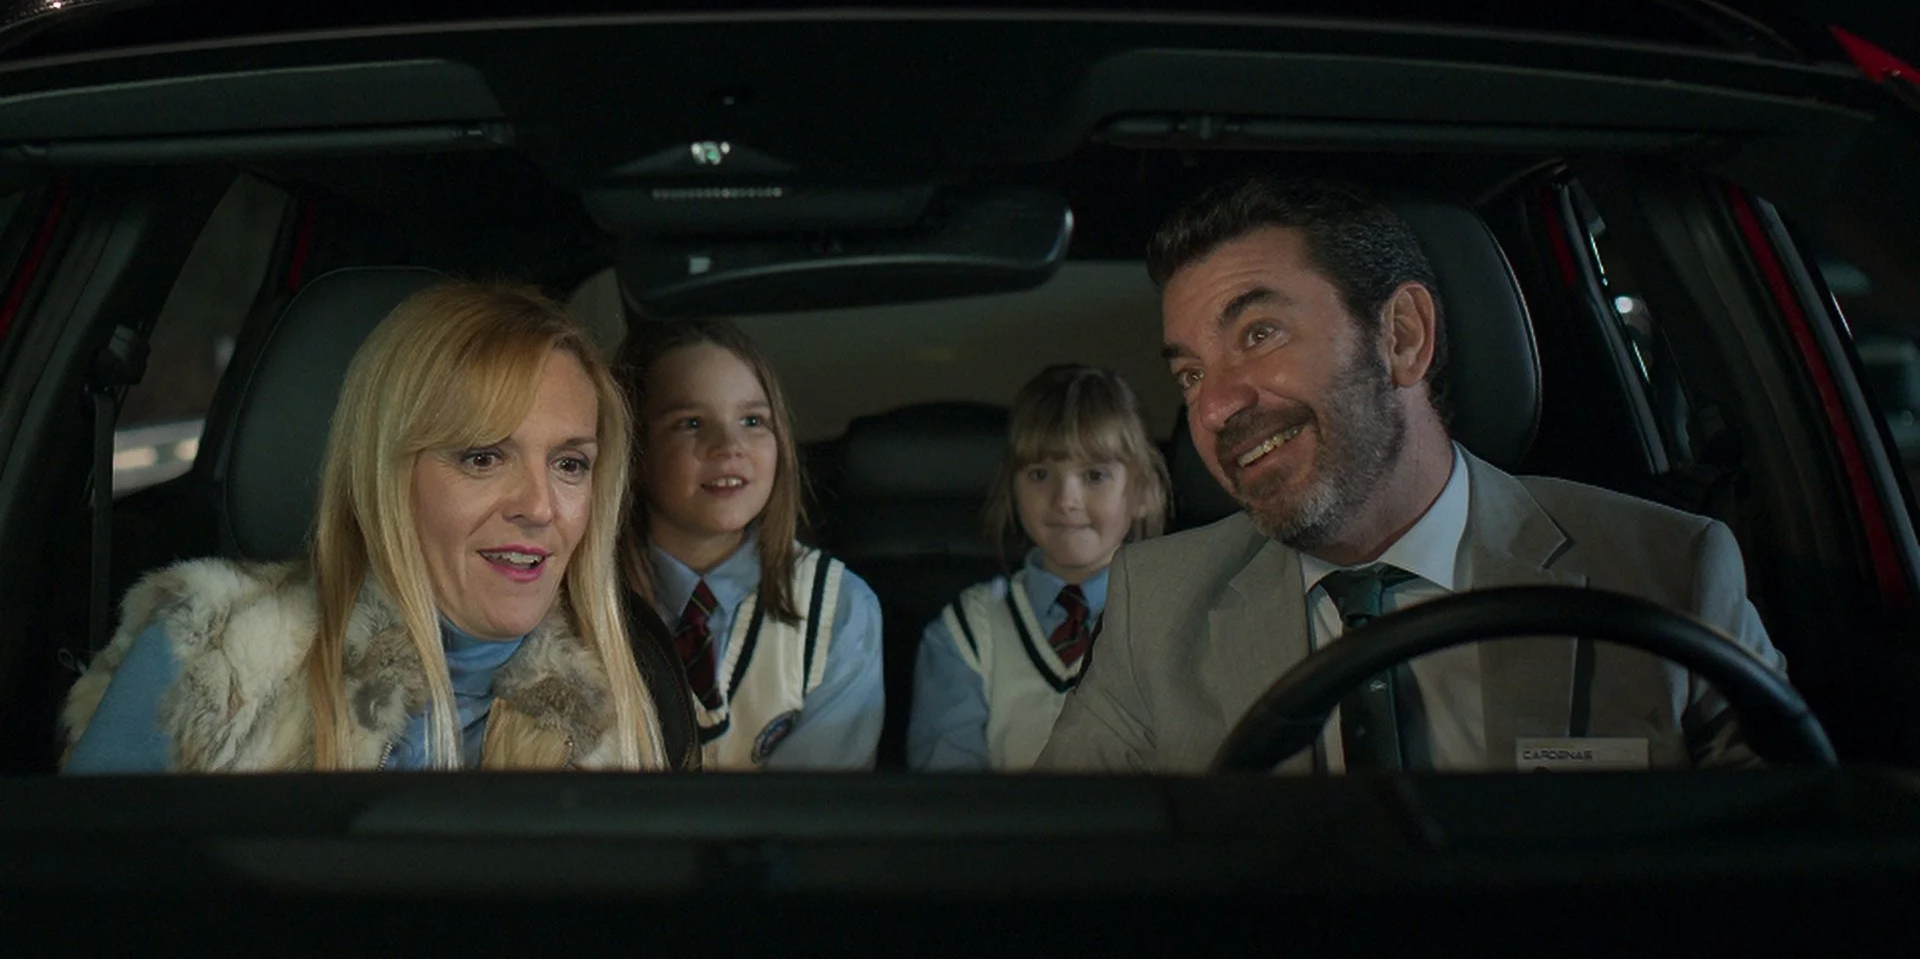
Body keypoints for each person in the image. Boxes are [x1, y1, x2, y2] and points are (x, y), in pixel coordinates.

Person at [1037, 175, 1787, 774]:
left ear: (1402, 337)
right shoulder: (1158, 608)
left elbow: (1787, 868)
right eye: (1192, 375)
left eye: (1258, 334)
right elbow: (1058, 871)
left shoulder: (1666, 570)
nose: (1216, 407)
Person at [63, 281, 673, 772]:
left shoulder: (628, 710)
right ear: (384, 474)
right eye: (482, 457)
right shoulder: (207, 658)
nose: (540, 507)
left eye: (570, 464)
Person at [617, 317, 884, 770]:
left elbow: (815, 811)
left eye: (752, 420)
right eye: (692, 423)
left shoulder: (840, 608)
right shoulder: (584, 599)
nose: (729, 446)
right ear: (635, 451)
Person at [908, 364, 1170, 771]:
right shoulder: (967, 632)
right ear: (1013, 488)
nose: (1066, 499)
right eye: (1040, 474)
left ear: (1142, 493)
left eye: (1095, 475)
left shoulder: (1175, 621)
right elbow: (950, 794)